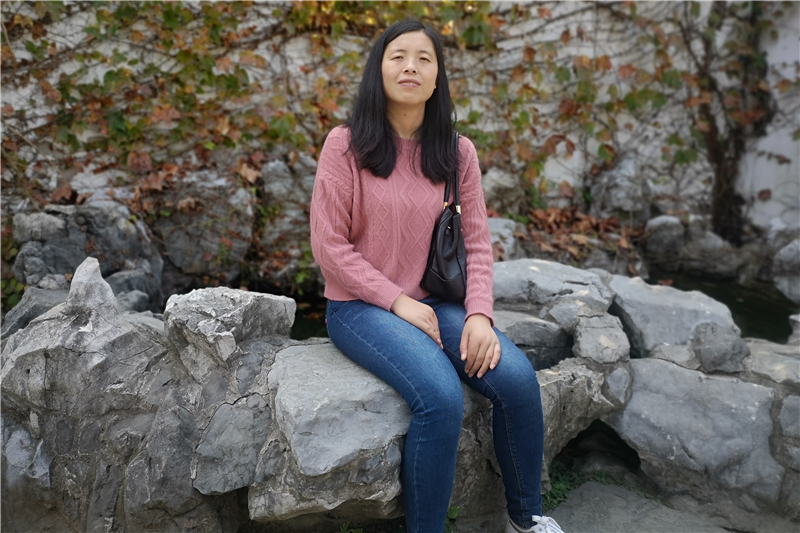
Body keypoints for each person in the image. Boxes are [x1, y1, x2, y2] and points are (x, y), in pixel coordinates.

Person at [309, 19, 565, 533]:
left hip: (436, 301)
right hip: (359, 307)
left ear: (437, 77)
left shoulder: (456, 151)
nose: (411, 67)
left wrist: (479, 315)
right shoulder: (345, 145)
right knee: (442, 398)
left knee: (516, 380)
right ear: (379, 70)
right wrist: (395, 300)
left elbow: (477, 244)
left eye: (424, 59)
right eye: (398, 56)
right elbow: (329, 247)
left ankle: (527, 519)